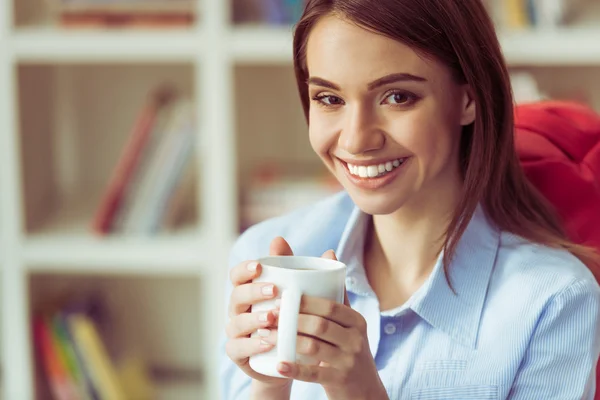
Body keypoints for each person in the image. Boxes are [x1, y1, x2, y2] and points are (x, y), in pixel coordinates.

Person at [220, 0, 600, 399]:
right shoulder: (259, 254)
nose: (356, 140)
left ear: (468, 100)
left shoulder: (555, 302)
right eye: (330, 99)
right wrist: (269, 381)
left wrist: (358, 390)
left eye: (397, 97)